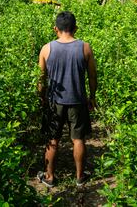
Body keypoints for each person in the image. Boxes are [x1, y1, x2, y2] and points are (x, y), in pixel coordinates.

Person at [37, 11, 97, 188]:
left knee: (52, 140)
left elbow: (41, 80)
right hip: (77, 100)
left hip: (54, 101)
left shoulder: (46, 49)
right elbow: (92, 76)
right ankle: (80, 177)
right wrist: (92, 97)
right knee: (78, 139)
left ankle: (50, 177)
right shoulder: (85, 47)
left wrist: (42, 97)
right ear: (75, 28)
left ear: (56, 29)